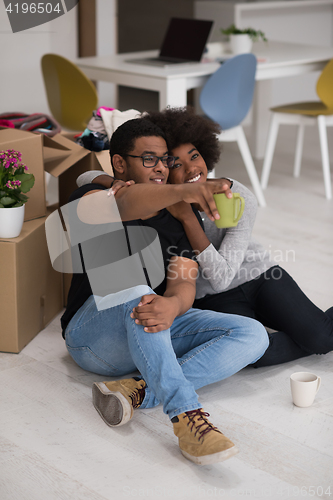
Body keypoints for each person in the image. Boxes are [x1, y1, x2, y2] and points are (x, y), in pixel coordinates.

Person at [62, 118, 268, 466]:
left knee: (252, 333)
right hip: (92, 339)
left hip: (148, 331)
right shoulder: (93, 197)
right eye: (148, 158)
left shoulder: (174, 219)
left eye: (163, 160)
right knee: (138, 289)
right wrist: (185, 191)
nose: (160, 167)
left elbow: (184, 282)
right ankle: (187, 416)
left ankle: (138, 390)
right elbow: (128, 202)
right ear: (119, 163)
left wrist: (173, 304)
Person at [78, 107, 333, 367]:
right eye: (175, 163)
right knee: (255, 355)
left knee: (321, 338)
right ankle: (287, 335)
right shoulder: (158, 194)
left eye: (195, 156)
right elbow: (84, 178)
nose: (191, 169)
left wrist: (187, 218)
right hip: (210, 296)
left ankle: (311, 332)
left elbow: (223, 276)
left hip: (259, 276)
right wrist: (114, 184)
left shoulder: (237, 196)